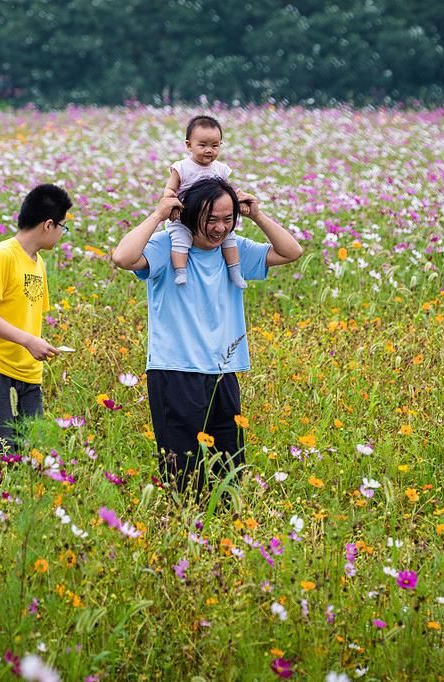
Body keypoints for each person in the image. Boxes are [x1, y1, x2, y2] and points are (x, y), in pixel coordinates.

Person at [112, 177, 303, 496]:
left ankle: (222, 533)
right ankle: (184, 528)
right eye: (210, 219)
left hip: (223, 371)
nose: (219, 228)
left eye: (228, 219)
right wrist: (158, 215)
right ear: (189, 216)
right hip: (176, 370)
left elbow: (291, 251)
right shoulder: (168, 246)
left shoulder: (234, 251)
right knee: (182, 470)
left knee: (229, 466)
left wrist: (257, 215)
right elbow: (122, 257)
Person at [0, 183, 72, 461]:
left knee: (31, 451)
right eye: (63, 227)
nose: (62, 234)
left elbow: (29, 315)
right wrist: (27, 341)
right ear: (48, 225)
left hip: (28, 370)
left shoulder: (38, 263)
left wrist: (38, 345)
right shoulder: (3, 255)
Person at [162, 115, 247, 289]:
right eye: (202, 145)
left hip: (212, 218)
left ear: (220, 145)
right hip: (184, 217)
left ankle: (235, 270)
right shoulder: (182, 167)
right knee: (180, 240)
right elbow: (169, 190)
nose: (209, 150)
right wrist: (171, 202)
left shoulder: (221, 169)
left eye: (214, 146)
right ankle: (180, 271)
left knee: (229, 238)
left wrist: (241, 201)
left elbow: (228, 192)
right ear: (188, 145)